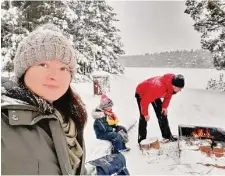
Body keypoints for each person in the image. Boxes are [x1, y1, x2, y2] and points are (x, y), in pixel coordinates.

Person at [1, 24, 88, 175]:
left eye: (63, 68)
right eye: (43, 64)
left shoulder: (68, 120)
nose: (54, 75)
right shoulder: (4, 122)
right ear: (24, 70)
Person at [135, 73, 185, 144]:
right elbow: (144, 102)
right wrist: (146, 114)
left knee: (162, 113)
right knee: (143, 117)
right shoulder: (159, 88)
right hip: (141, 92)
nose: (180, 90)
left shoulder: (171, 86)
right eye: (179, 88)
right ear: (174, 86)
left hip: (152, 92)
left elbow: (168, 96)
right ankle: (142, 140)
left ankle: (167, 136)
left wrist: (164, 107)